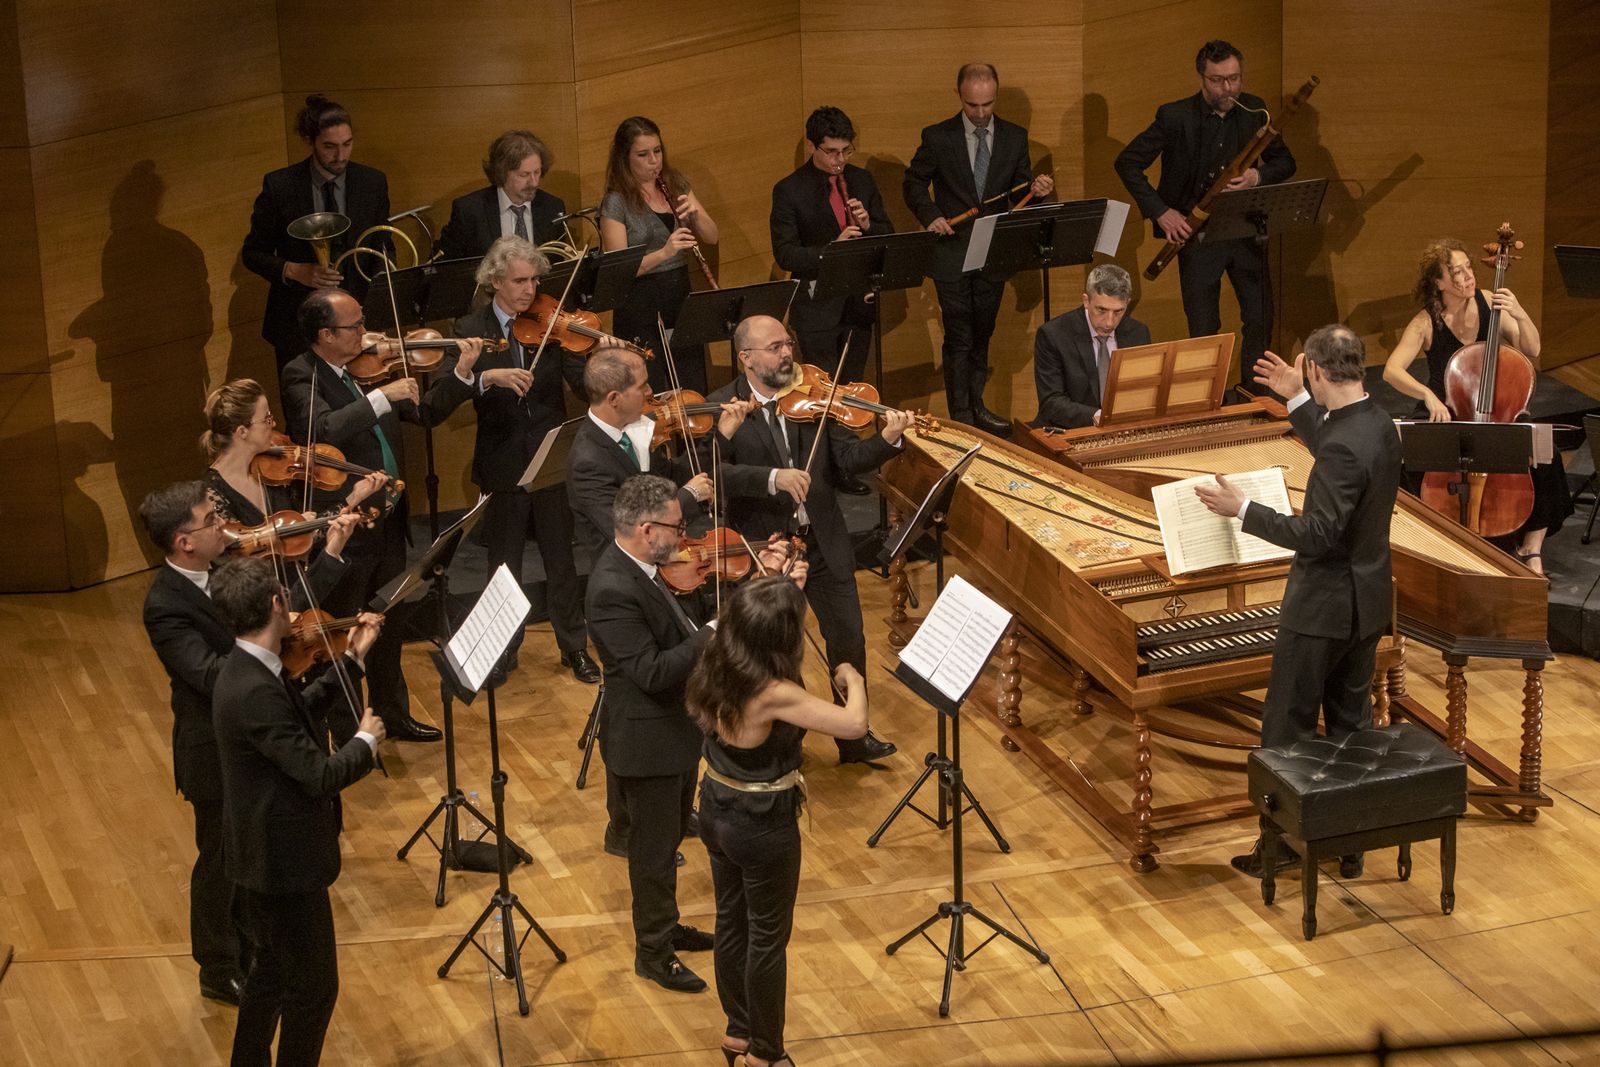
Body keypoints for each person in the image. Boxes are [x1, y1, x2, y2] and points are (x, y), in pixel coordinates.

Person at [1194, 325, 1401, 879]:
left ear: (1314, 366)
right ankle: (1349, 843)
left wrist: (1242, 510)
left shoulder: (1343, 445)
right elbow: (1337, 438)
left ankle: (1279, 847)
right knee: (1351, 728)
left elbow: (1317, 534)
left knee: (1286, 731)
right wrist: (1298, 397)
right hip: (1366, 604)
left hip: (1321, 609)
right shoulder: (1378, 423)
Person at [280, 288, 483, 740]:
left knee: (385, 625)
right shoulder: (302, 374)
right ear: (325, 334)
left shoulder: (368, 369)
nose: (366, 333)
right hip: (348, 528)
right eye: (353, 326)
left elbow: (427, 413)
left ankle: (393, 714)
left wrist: (462, 373)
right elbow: (322, 429)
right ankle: (348, 729)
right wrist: (380, 397)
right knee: (345, 631)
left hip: (389, 518)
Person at [208, 555, 385, 1067]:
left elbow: (296, 717)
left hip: (264, 855)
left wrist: (351, 661)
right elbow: (320, 774)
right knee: (313, 990)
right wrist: (364, 743)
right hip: (280, 865)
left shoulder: (249, 667)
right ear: (274, 604)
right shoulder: (253, 687)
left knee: (271, 974)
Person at [708, 314, 904, 766]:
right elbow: (709, 475)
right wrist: (772, 478)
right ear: (746, 358)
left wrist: (888, 439)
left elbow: (847, 459)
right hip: (767, 551)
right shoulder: (725, 407)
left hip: (822, 541)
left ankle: (853, 740)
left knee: (849, 640)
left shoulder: (810, 398)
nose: (787, 353)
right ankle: (783, 744)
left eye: (788, 344)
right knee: (776, 651)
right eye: (775, 347)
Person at [688, 575, 868, 1067]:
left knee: (731, 922)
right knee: (767, 938)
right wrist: (852, 678)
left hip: (716, 806)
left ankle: (739, 1034)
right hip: (760, 824)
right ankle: (767, 1055)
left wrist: (777, 577)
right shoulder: (772, 691)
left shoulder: (716, 658)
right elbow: (854, 724)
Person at [584, 475, 721, 994]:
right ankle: (654, 953)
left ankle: (667, 926)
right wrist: (710, 634)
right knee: (652, 854)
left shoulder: (642, 569)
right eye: (677, 527)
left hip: (673, 735)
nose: (684, 538)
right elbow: (651, 672)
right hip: (646, 745)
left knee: (664, 848)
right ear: (646, 529)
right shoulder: (613, 587)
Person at [444, 235, 599, 684]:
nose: (530, 290)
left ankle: (574, 647)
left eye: (534, 280)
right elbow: (455, 389)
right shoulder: (469, 327)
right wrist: (486, 378)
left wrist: (595, 357)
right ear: (494, 281)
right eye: (519, 281)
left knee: (561, 561)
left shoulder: (551, 323)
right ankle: (502, 649)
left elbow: (578, 383)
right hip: (503, 457)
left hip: (551, 455)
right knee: (503, 563)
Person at [1114, 40, 1296, 394]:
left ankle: (1254, 395)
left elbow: (1285, 162)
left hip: (1245, 229)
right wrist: (1161, 212)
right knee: (1203, 326)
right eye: (1217, 80)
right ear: (1202, 78)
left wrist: (1258, 177)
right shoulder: (1174, 116)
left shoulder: (1255, 111)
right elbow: (1127, 162)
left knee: (1259, 318)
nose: (1227, 89)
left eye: (1234, 78)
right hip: (1196, 235)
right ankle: (1206, 399)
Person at [1382, 238, 1572, 573]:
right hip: (1448, 410)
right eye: (1456, 272)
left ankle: (1531, 547)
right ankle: (1435, 534)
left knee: (1546, 456)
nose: (1468, 276)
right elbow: (1391, 371)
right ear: (1438, 282)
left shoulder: (1488, 301)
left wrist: (1519, 313)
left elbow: (1533, 348)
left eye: (1468, 268)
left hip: (1498, 409)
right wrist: (1428, 396)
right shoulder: (1427, 322)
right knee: (1407, 460)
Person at [138, 482, 251, 1007]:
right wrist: (269, 647)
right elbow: (208, 675)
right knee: (221, 858)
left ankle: (250, 945)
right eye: (211, 520)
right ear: (184, 541)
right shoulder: (164, 605)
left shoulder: (221, 572)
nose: (221, 526)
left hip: (249, 740)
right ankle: (217, 966)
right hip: (212, 751)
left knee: (250, 851)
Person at [902, 62, 1054, 434]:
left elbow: (1019, 195)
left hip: (992, 252)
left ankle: (977, 405)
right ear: (960, 96)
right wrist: (932, 215)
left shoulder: (1015, 137)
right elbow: (913, 184)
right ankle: (962, 418)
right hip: (951, 251)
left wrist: (1037, 192)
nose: (982, 113)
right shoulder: (938, 137)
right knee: (959, 335)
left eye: (987, 104)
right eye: (973, 105)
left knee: (982, 332)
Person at [770, 105, 894, 497]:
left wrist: (870, 225)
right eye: (832, 152)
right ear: (812, 147)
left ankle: (847, 465)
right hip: (818, 306)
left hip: (859, 302)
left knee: (852, 392)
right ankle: (820, 471)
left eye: (846, 151)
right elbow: (786, 254)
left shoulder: (861, 180)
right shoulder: (789, 189)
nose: (840, 160)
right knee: (822, 395)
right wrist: (831, 250)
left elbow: (888, 234)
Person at [241, 95, 390, 385]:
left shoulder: (372, 182)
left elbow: (383, 247)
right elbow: (252, 253)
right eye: (330, 147)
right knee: (306, 418)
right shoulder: (280, 186)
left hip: (358, 325)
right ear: (312, 142)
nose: (341, 156)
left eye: (347, 144)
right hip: (297, 327)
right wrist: (296, 271)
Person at [600, 116, 720, 396]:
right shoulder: (616, 201)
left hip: (679, 296)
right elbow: (621, 269)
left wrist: (696, 217)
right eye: (643, 154)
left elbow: (712, 236)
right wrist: (665, 251)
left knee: (691, 385)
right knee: (653, 390)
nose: (654, 161)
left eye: (657, 151)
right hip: (640, 305)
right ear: (625, 158)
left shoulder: (674, 183)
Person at [1032, 264, 1153, 429]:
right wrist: (1099, 416)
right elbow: (1051, 403)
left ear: (1128, 304)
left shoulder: (1138, 333)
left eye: (1118, 311)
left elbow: (1143, 391)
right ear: (1086, 301)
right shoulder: (1053, 335)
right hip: (1069, 430)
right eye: (1101, 310)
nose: (1109, 322)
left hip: (1121, 431)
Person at [436, 130, 569, 259]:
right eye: (524, 174)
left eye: (537, 172)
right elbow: (443, 267)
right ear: (502, 172)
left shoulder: (553, 207)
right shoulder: (469, 211)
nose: (534, 183)